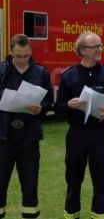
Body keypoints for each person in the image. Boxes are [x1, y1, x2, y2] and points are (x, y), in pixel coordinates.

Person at [54, 31, 104, 219]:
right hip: (77, 135)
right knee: (73, 183)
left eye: (101, 45)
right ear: (83, 50)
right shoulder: (69, 75)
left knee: (101, 184)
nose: (100, 49)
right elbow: (58, 108)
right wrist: (68, 105)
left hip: (100, 135)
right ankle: (72, 215)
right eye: (96, 47)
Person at [0, 34, 53, 219]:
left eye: (26, 56)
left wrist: (41, 108)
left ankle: (30, 215)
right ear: (10, 52)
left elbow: (49, 100)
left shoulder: (41, 73)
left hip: (29, 138)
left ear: (30, 52)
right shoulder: (1, 71)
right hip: (4, 136)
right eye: (18, 56)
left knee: (30, 185)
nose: (22, 60)